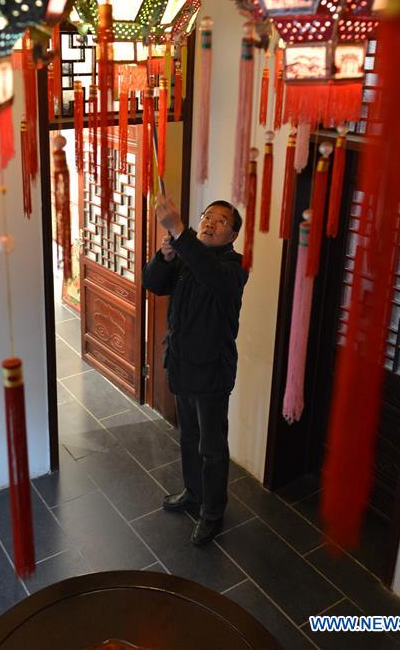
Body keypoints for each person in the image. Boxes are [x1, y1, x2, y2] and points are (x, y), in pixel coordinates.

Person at [142, 195, 248, 546]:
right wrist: (165, 256)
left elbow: (211, 274)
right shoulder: (188, 256)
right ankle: (193, 492)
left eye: (220, 221)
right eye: (206, 216)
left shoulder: (233, 268)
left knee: (212, 446)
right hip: (182, 365)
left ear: (232, 236)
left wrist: (178, 230)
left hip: (212, 373)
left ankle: (213, 512)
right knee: (188, 435)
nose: (210, 223)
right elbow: (154, 284)